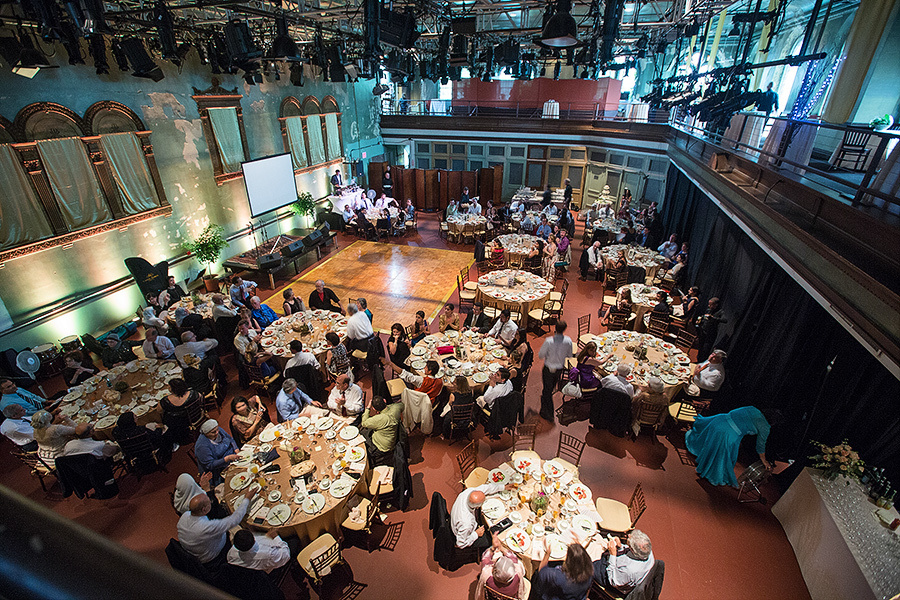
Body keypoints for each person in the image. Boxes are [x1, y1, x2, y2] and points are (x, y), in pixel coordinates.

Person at [686, 406, 778, 487]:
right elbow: (760, 445)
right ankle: (711, 471)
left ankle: (701, 453)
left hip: (719, 419)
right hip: (728, 434)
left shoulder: (753, 409)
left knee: (709, 440)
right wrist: (764, 461)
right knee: (722, 457)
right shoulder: (765, 427)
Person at [177, 487, 252, 565]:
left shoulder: (185, 516)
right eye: (209, 502)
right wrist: (247, 499)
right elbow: (235, 520)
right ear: (204, 510)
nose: (211, 502)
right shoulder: (205, 527)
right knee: (242, 534)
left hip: (195, 550)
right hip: (214, 558)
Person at [592, 530, 656, 594]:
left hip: (611, 577)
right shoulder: (647, 551)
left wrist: (612, 555)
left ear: (633, 550)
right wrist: (620, 547)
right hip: (619, 567)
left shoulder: (630, 570)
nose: (629, 535)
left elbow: (613, 581)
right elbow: (629, 550)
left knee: (586, 564)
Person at [450, 484, 507, 550]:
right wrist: (476, 534)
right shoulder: (466, 523)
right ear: (477, 507)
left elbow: (486, 488)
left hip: (457, 520)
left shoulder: (468, 492)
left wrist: (503, 487)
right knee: (491, 539)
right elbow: (460, 544)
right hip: (462, 534)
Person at [538, 321, 573, 422]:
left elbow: (540, 355)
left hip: (548, 368)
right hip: (559, 369)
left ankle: (548, 413)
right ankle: (545, 405)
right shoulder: (568, 341)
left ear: (555, 328)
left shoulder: (549, 341)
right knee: (550, 388)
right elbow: (570, 355)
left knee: (547, 390)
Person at [475, 533, 528, 600]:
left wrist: (493, 548)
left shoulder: (487, 575)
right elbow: (514, 559)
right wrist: (502, 548)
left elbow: (485, 559)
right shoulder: (518, 573)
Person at [361, 395, 404, 466]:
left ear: (374, 409)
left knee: (362, 433)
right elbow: (402, 405)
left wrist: (368, 407)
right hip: (393, 438)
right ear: (384, 400)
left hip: (382, 447)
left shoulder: (379, 419)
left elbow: (364, 423)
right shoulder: (396, 408)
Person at [227, 527, 292, 574]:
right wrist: (276, 537)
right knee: (293, 541)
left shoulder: (232, 553)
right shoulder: (267, 554)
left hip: (247, 573)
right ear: (253, 538)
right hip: (266, 571)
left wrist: (265, 536)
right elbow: (286, 555)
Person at [194, 419, 238, 486]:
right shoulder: (202, 446)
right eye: (213, 432)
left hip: (232, 458)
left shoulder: (217, 430)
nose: (217, 432)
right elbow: (210, 465)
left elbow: (230, 439)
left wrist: (236, 449)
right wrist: (227, 458)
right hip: (219, 469)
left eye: (217, 430)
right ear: (206, 433)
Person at [161, 378, 199, 446]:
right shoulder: (193, 393)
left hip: (178, 424)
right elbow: (201, 399)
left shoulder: (165, 401)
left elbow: (159, 411)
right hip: (194, 416)